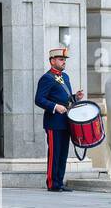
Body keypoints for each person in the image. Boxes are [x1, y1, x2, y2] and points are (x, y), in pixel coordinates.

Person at [35, 46, 85, 192]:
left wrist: (75, 97)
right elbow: (39, 99)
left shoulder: (66, 77)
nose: (64, 62)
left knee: (63, 153)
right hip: (54, 122)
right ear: (52, 61)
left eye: (64, 60)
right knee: (54, 154)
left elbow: (66, 100)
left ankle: (59, 182)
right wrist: (55, 106)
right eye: (61, 59)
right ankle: (52, 183)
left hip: (66, 122)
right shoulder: (47, 78)